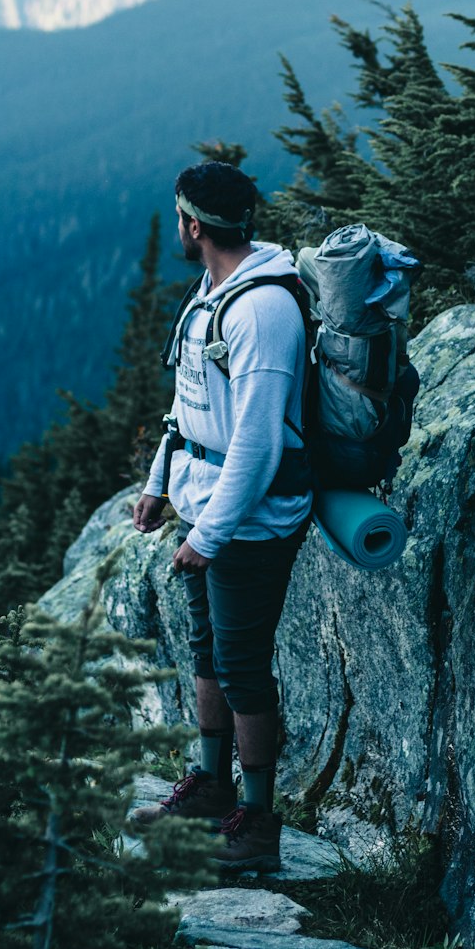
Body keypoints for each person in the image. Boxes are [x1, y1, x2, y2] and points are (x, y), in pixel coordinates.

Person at [130, 160, 312, 873]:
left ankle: (259, 827)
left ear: (194, 225)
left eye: (179, 217)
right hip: (206, 502)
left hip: (252, 519)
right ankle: (212, 787)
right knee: (211, 652)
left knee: (241, 667)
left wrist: (209, 535)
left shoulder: (262, 311)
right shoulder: (212, 292)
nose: (177, 227)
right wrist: (158, 485)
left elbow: (261, 443)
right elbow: (189, 403)